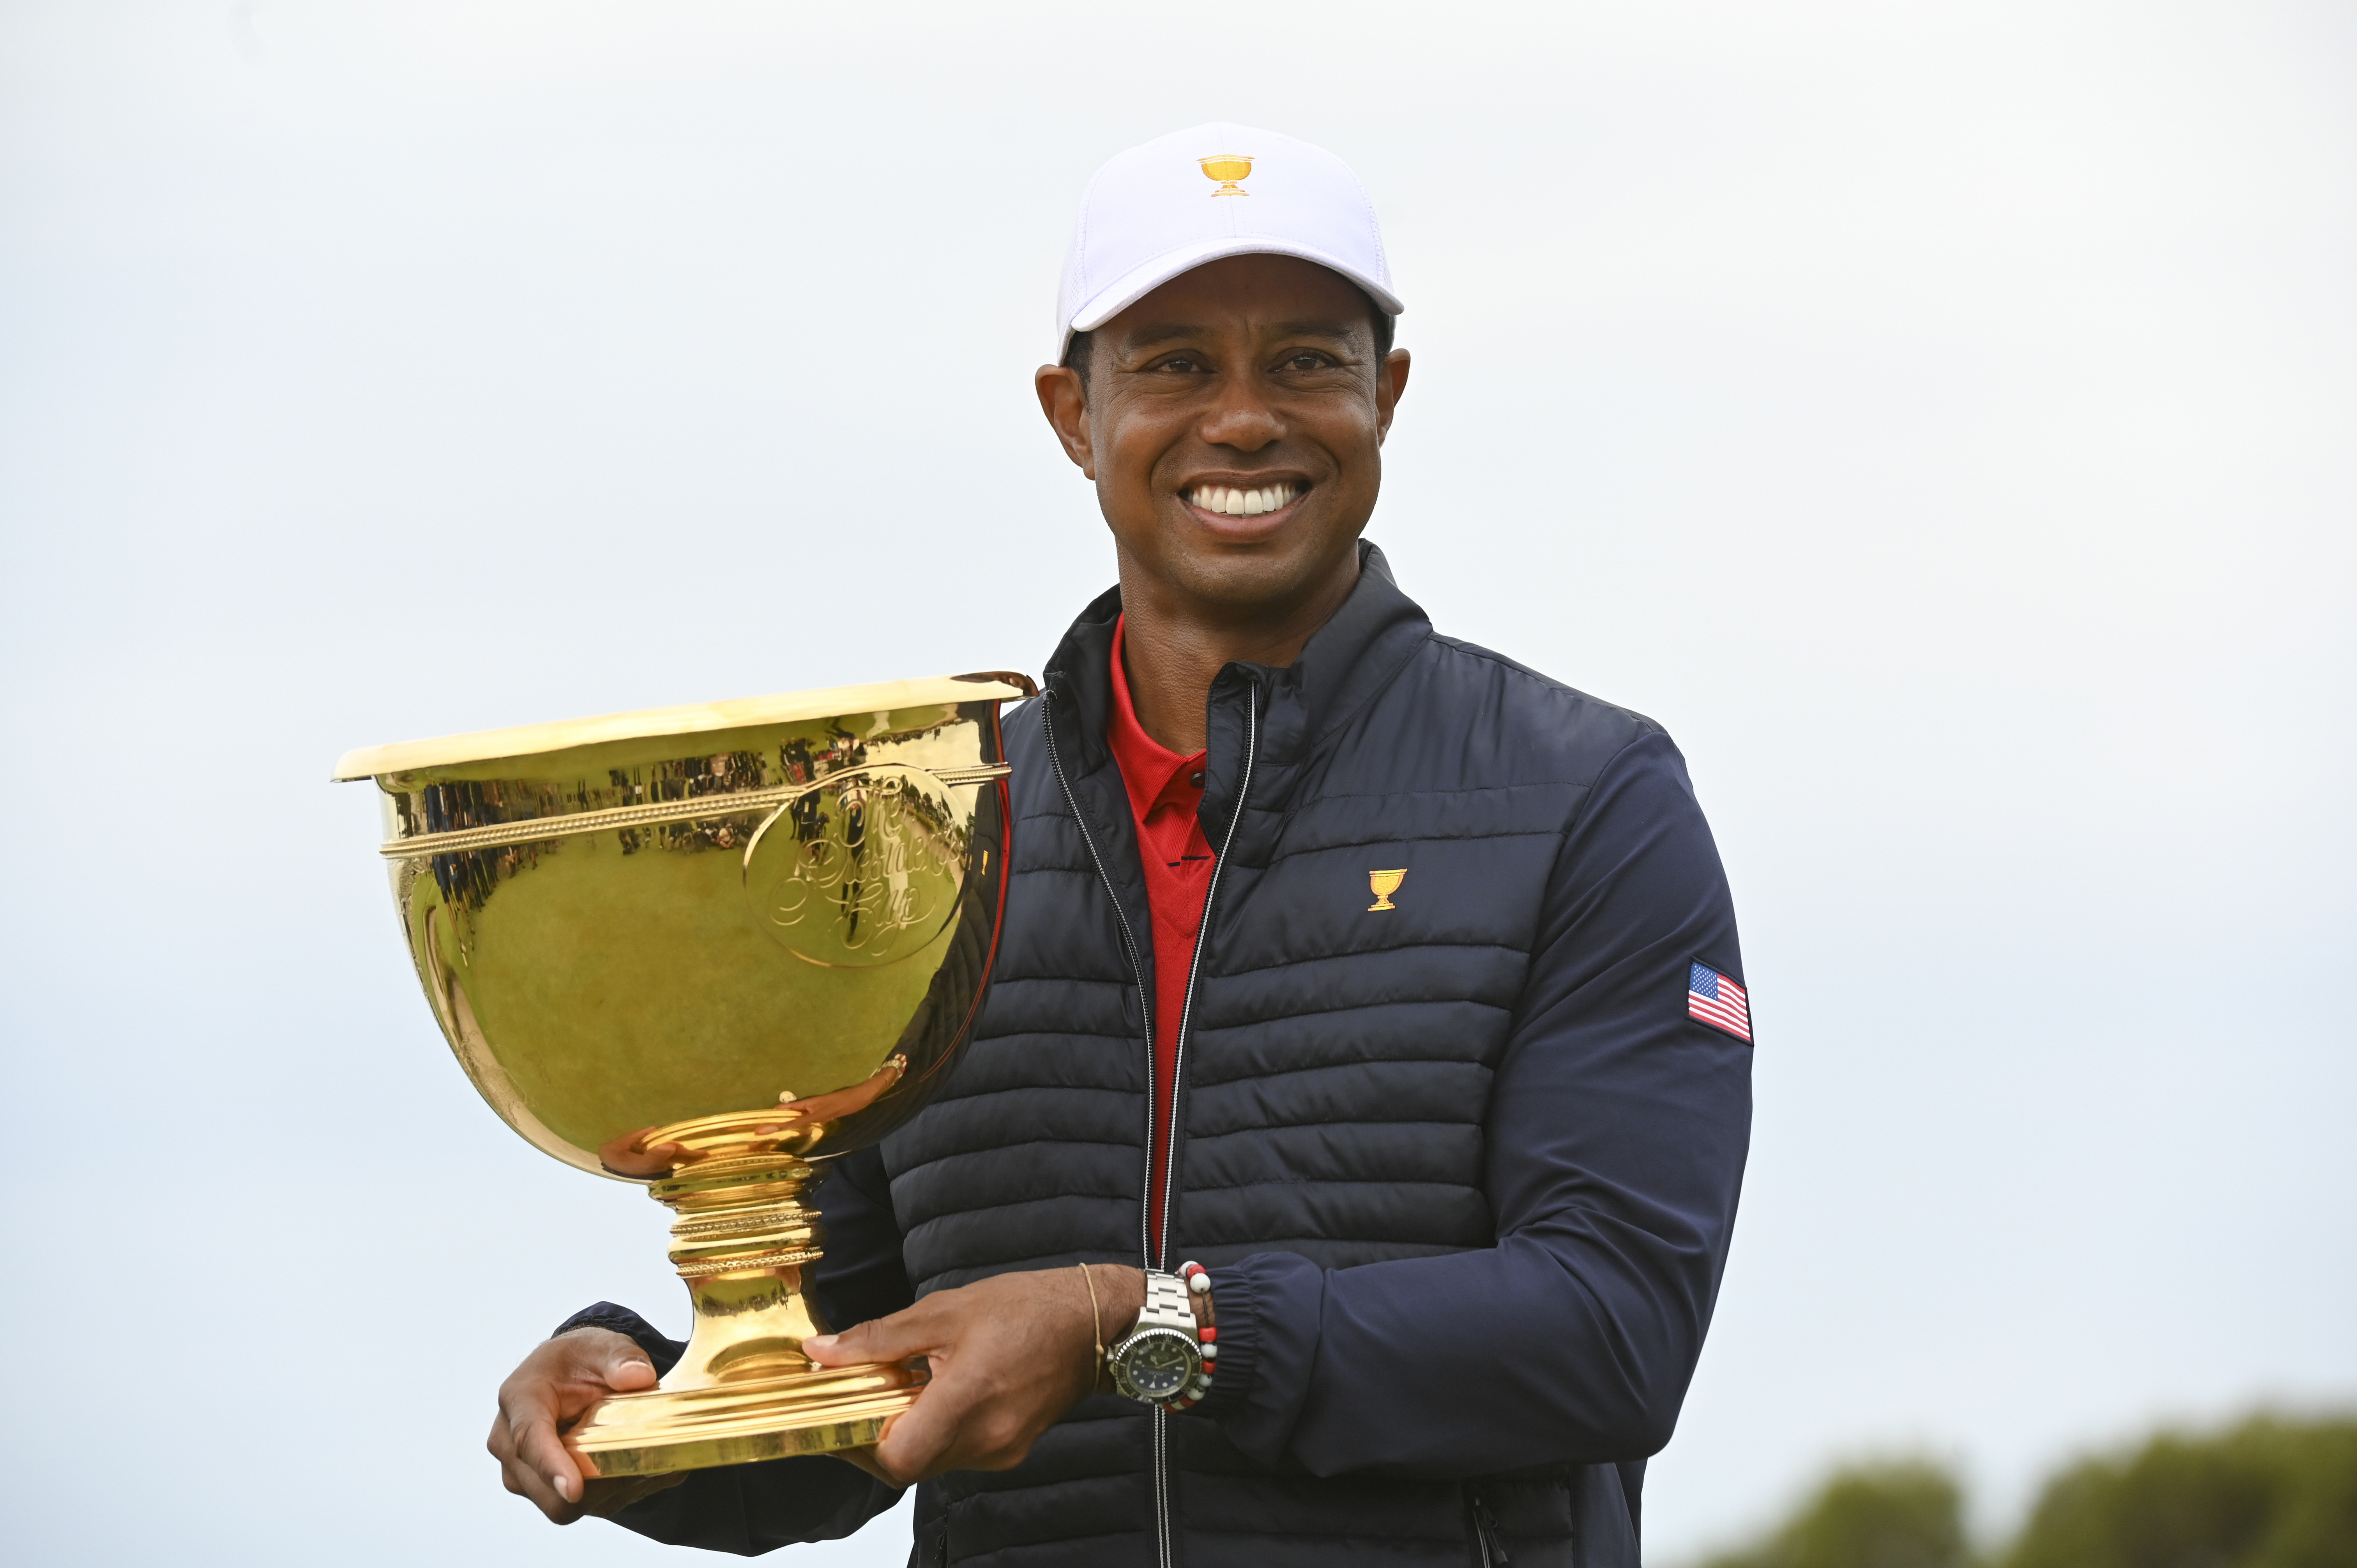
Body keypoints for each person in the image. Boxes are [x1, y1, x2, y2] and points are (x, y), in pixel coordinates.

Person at [486, 122, 1754, 1568]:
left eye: (1305, 360)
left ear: (1386, 397)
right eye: (1172, 363)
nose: (1243, 419)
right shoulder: (930, 843)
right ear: (1070, 414)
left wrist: (1146, 1329)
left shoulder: (1587, 798)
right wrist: (638, 1400)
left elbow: (1613, 1332)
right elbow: (847, 1380)